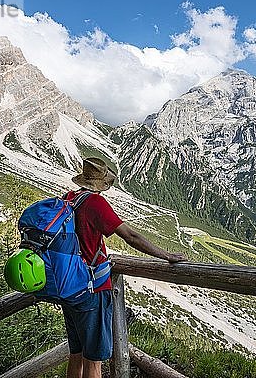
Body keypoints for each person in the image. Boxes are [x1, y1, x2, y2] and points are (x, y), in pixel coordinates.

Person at [62, 157, 186, 378]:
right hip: (92, 290)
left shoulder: (70, 198)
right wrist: (165, 255)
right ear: (101, 184)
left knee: (76, 354)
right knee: (93, 360)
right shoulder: (95, 203)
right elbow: (130, 236)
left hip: (70, 286)